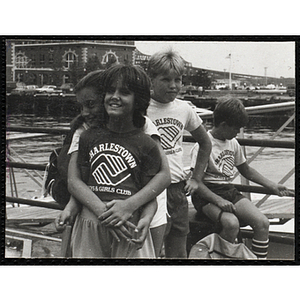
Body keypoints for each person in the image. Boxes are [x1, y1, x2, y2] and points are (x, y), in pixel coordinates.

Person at [55, 69, 171, 258]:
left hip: (139, 206)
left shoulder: (145, 129)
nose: (85, 112)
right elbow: (77, 180)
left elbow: (164, 175)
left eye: (91, 104)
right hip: (98, 214)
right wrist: (104, 214)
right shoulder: (85, 133)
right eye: (81, 106)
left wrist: (131, 209)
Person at [190, 98, 290, 259]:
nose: (238, 132)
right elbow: (197, 183)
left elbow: (246, 170)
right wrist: (218, 201)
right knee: (231, 224)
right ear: (223, 125)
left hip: (227, 191)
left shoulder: (233, 143)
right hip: (206, 194)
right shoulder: (203, 145)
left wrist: (272, 185)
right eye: (236, 128)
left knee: (262, 223)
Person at [146, 49, 212, 258]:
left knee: (178, 250)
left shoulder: (184, 109)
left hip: (177, 189)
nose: (173, 85)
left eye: (178, 79)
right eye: (166, 79)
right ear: (151, 79)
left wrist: (197, 179)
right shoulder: (141, 108)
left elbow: (205, 143)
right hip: (150, 190)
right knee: (150, 250)